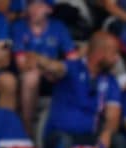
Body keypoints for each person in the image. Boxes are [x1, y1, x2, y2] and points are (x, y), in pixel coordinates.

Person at [37, 31, 125, 148]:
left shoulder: (111, 81)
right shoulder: (72, 68)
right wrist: (43, 61)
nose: (117, 58)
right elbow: (56, 68)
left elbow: (113, 115)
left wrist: (107, 133)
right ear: (100, 53)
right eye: (114, 53)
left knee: (119, 142)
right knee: (63, 142)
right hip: (60, 135)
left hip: (89, 137)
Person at [10, 0, 77, 135]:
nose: (34, 9)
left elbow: (73, 60)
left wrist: (43, 62)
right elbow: (23, 65)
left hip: (52, 75)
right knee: (31, 76)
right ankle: (27, 126)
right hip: (28, 77)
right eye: (31, 4)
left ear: (49, 9)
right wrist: (45, 68)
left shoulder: (58, 27)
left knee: (67, 71)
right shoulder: (19, 27)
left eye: (39, 5)